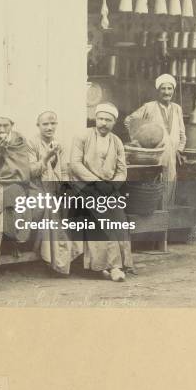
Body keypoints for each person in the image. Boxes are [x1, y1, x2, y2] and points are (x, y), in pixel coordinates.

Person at [69, 103, 132, 282]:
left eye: (108, 120)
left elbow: (122, 171)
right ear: (95, 119)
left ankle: (122, 262)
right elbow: (75, 165)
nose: (103, 123)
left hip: (108, 189)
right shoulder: (82, 136)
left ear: (114, 122)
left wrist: (112, 187)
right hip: (83, 187)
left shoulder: (117, 141)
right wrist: (97, 184)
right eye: (100, 118)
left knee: (119, 215)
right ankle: (113, 267)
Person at [0, 111, 36, 266]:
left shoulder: (19, 139)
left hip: (16, 183)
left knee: (13, 193)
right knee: (9, 201)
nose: (2, 129)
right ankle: (0, 245)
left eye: (6, 125)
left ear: (12, 126)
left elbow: (23, 171)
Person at [28, 111, 82, 275]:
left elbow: (65, 171)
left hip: (56, 187)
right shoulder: (31, 143)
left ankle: (75, 257)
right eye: (45, 124)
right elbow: (30, 172)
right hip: (36, 188)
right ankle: (57, 262)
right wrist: (46, 157)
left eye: (53, 124)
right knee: (52, 205)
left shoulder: (60, 145)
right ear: (38, 126)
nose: (50, 127)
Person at [125, 73, 186, 207]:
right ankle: (156, 220)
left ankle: (167, 221)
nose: (166, 92)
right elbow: (129, 120)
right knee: (155, 188)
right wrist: (139, 142)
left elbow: (182, 133)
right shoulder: (149, 106)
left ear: (173, 91)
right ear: (158, 91)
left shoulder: (177, 109)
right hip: (155, 156)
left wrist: (179, 149)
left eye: (169, 89)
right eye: (163, 89)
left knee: (170, 186)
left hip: (172, 157)